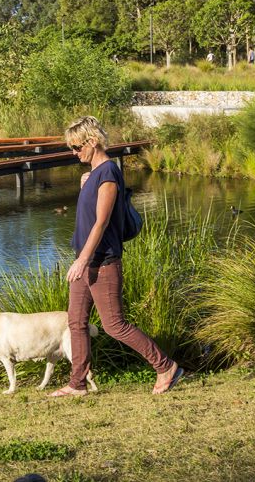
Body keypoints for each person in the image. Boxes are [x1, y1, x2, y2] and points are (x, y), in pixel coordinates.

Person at [47, 116, 183, 397]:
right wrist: (86, 185)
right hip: (85, 262)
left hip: (102, 262)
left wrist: (82, 260)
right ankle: (78, 383)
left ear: (92, 142)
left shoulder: (108, 173)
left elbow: (101, 223)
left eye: (76, 147)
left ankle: (166, 367)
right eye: (71, 148)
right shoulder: (95, 174)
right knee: (76, 322)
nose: (73, 153)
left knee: (114, 325)